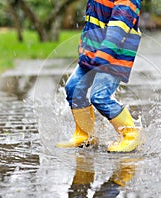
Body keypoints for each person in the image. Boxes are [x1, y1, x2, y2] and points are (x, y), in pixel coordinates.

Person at [57, 0, 142, 152]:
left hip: (113, 57)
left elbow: (119, 27)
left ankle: (130, 134)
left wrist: (105, 53)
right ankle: (85, 134)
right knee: (73, 88)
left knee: (99, 96)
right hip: (92, 53)